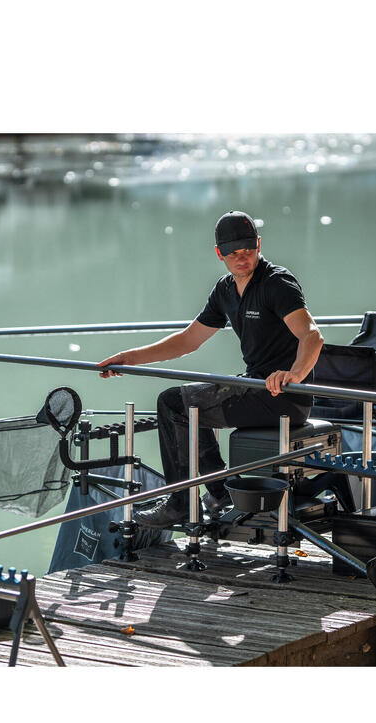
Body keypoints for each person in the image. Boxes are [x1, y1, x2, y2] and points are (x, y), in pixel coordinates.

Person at [97, 210, 324, 528]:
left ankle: (181, 503)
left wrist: (294, 374)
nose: (242, 259)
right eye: (233, 253)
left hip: (283, 395)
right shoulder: (225, 291)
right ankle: (219, 493)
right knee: (188, 404)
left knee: (173, 404)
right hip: (255, 387)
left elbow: (312, 334)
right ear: (220, 254)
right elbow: (188, 340)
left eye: (248, 250)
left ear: (259, 245)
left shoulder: (277, 283)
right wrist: (129, 358)